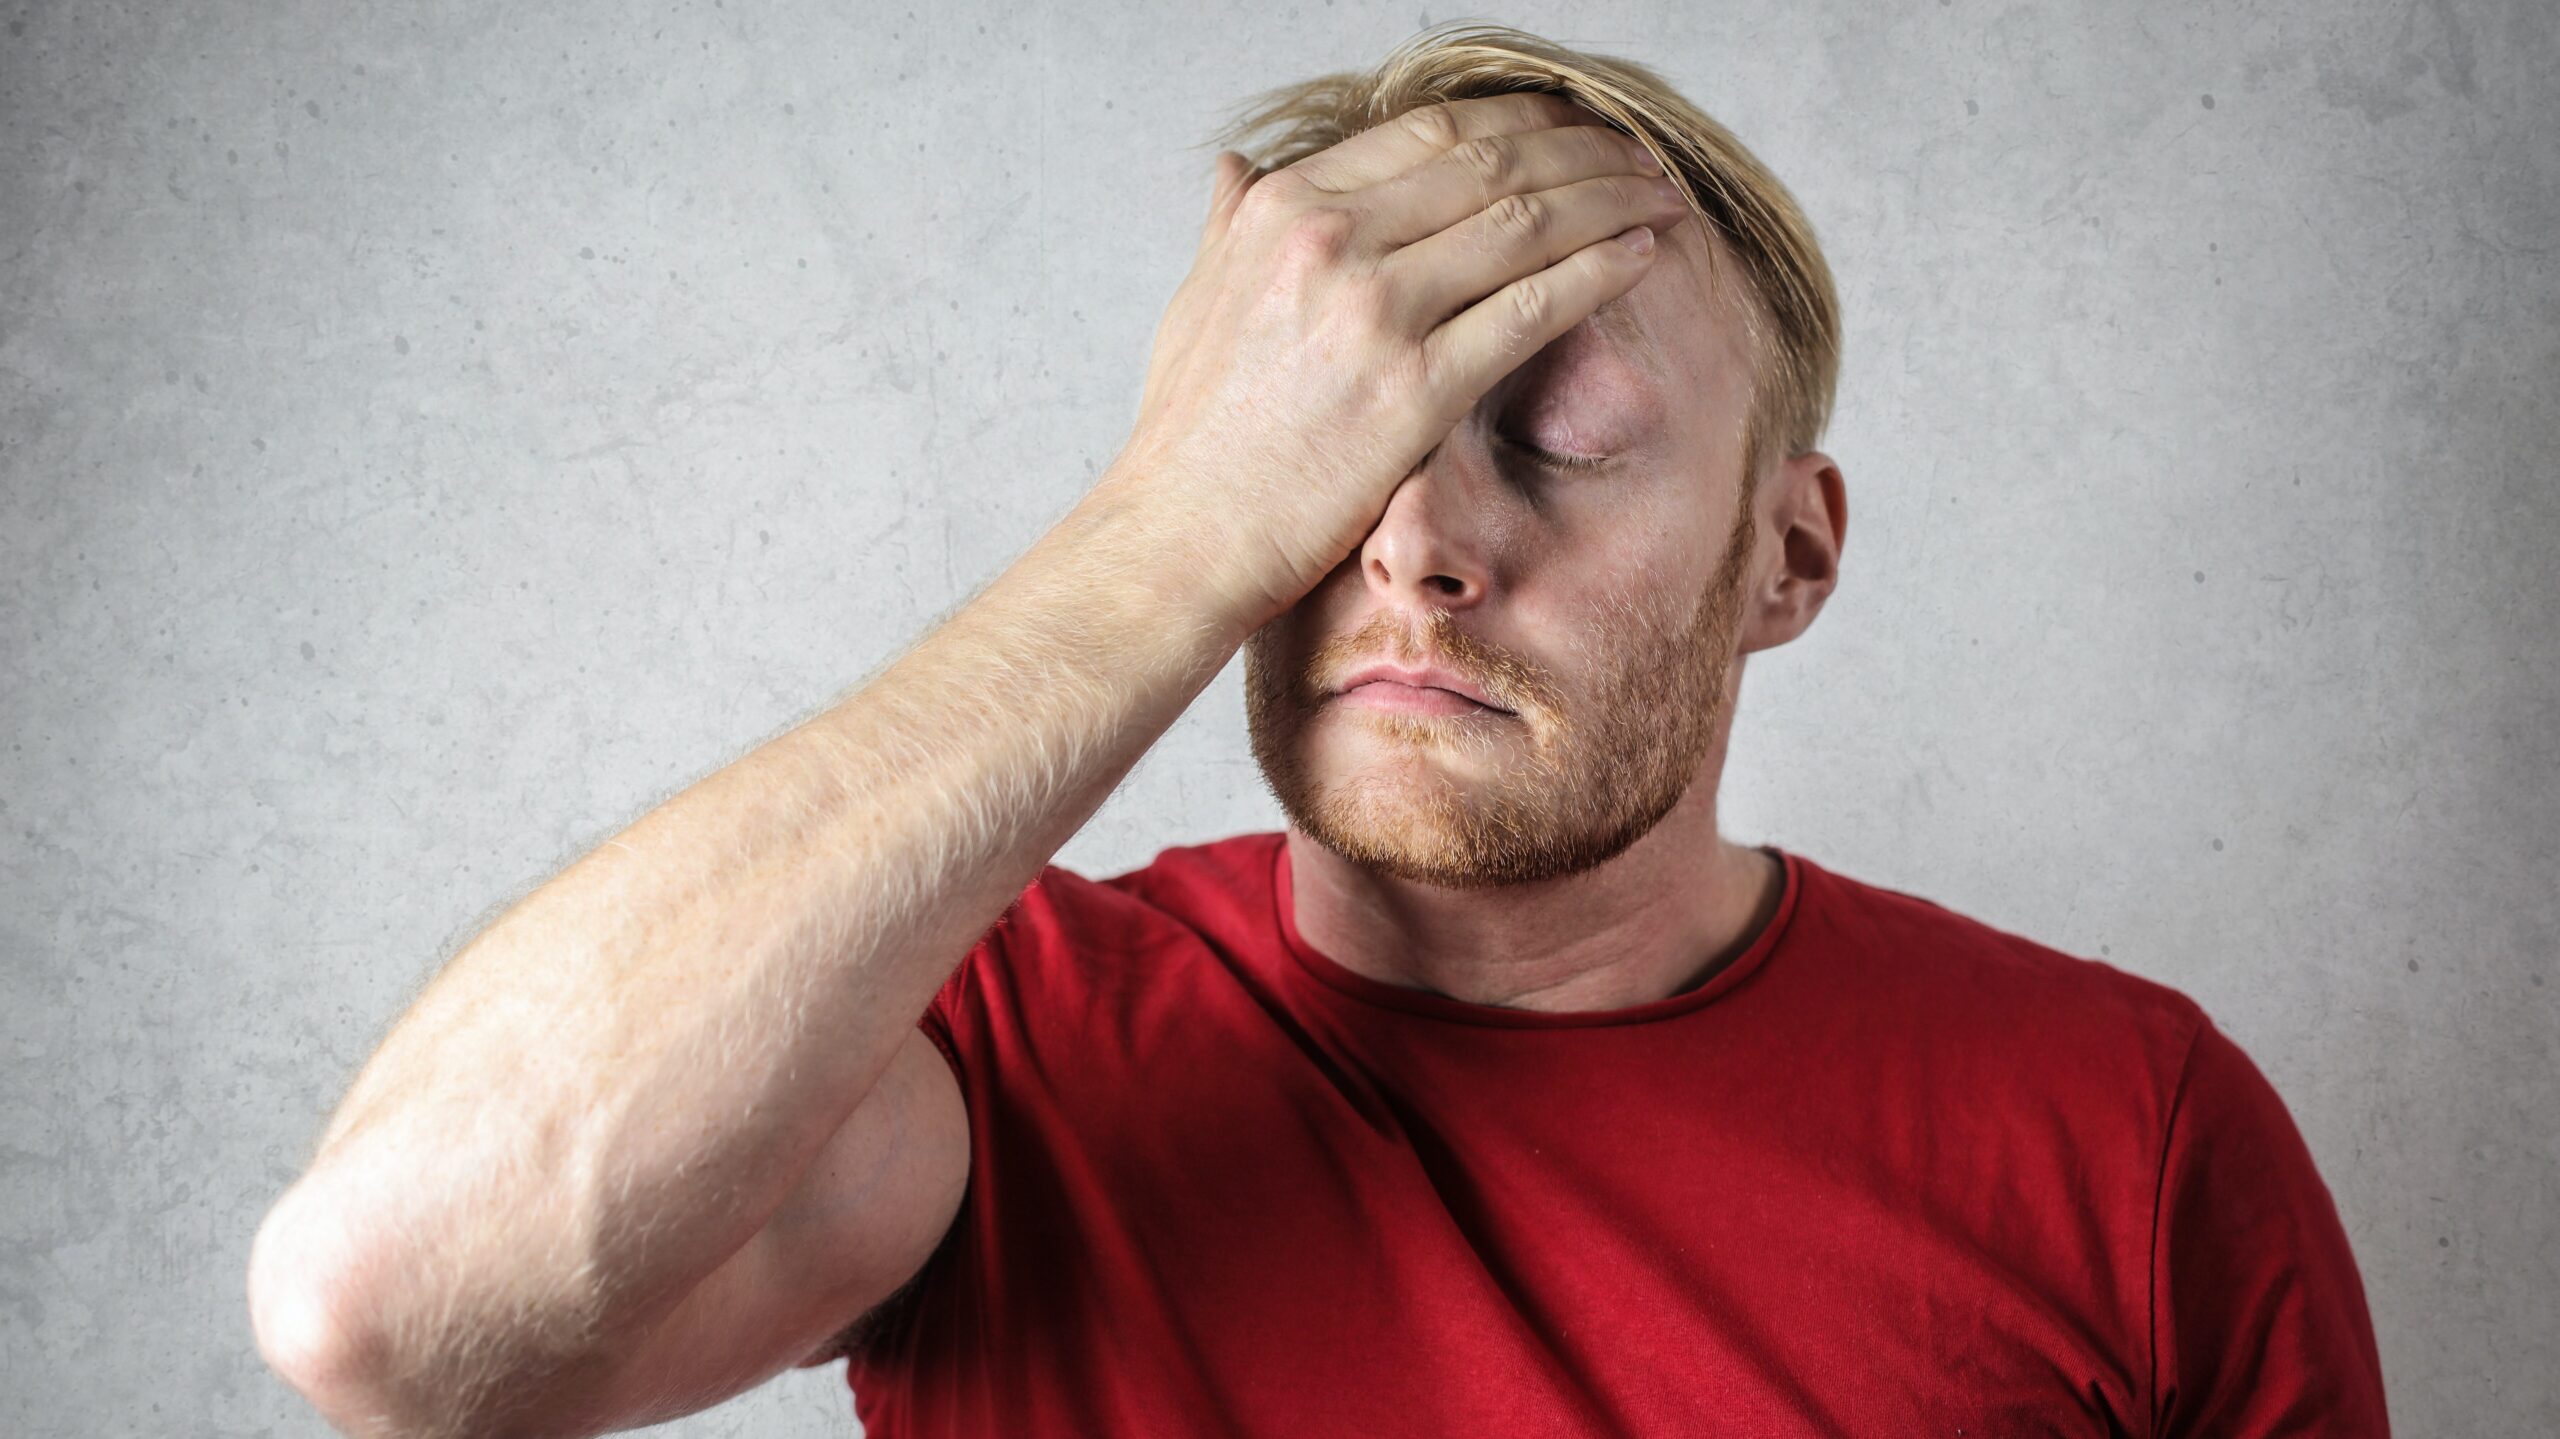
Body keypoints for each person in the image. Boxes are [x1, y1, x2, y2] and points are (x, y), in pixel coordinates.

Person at [246, 23, 2389, 1438]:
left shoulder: (2132, 1127)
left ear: (1785, 560)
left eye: (1554, 440)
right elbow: (382, 1312)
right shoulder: (992, 1054)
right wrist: (1163, 529)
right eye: (1332, 453)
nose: (1416, 545)